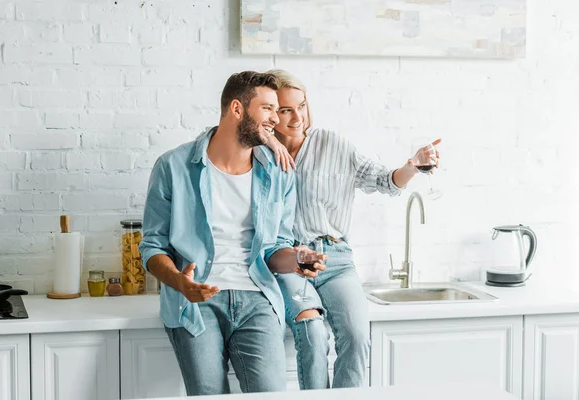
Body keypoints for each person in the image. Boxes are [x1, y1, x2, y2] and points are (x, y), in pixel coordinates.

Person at [139, 71, 320, 396]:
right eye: (267, 109)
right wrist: (181, 282)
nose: (275, 119)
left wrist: (297, 258)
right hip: (197, 302)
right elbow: (152, 247)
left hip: (257, 300)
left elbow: (275, 250)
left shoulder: (278, 173)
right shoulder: (173, 166)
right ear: (237, 109)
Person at [264, 69, 441, 390]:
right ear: (269, 113)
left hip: (335, 259)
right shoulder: (259, 155)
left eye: (301, 106)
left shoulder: (333, 144)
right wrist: (264, 139)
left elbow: (384, 181)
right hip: (288, 262)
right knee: (314, 334)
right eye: (285, 110)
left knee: (358, 337)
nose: (296, 117)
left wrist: (412, 165)